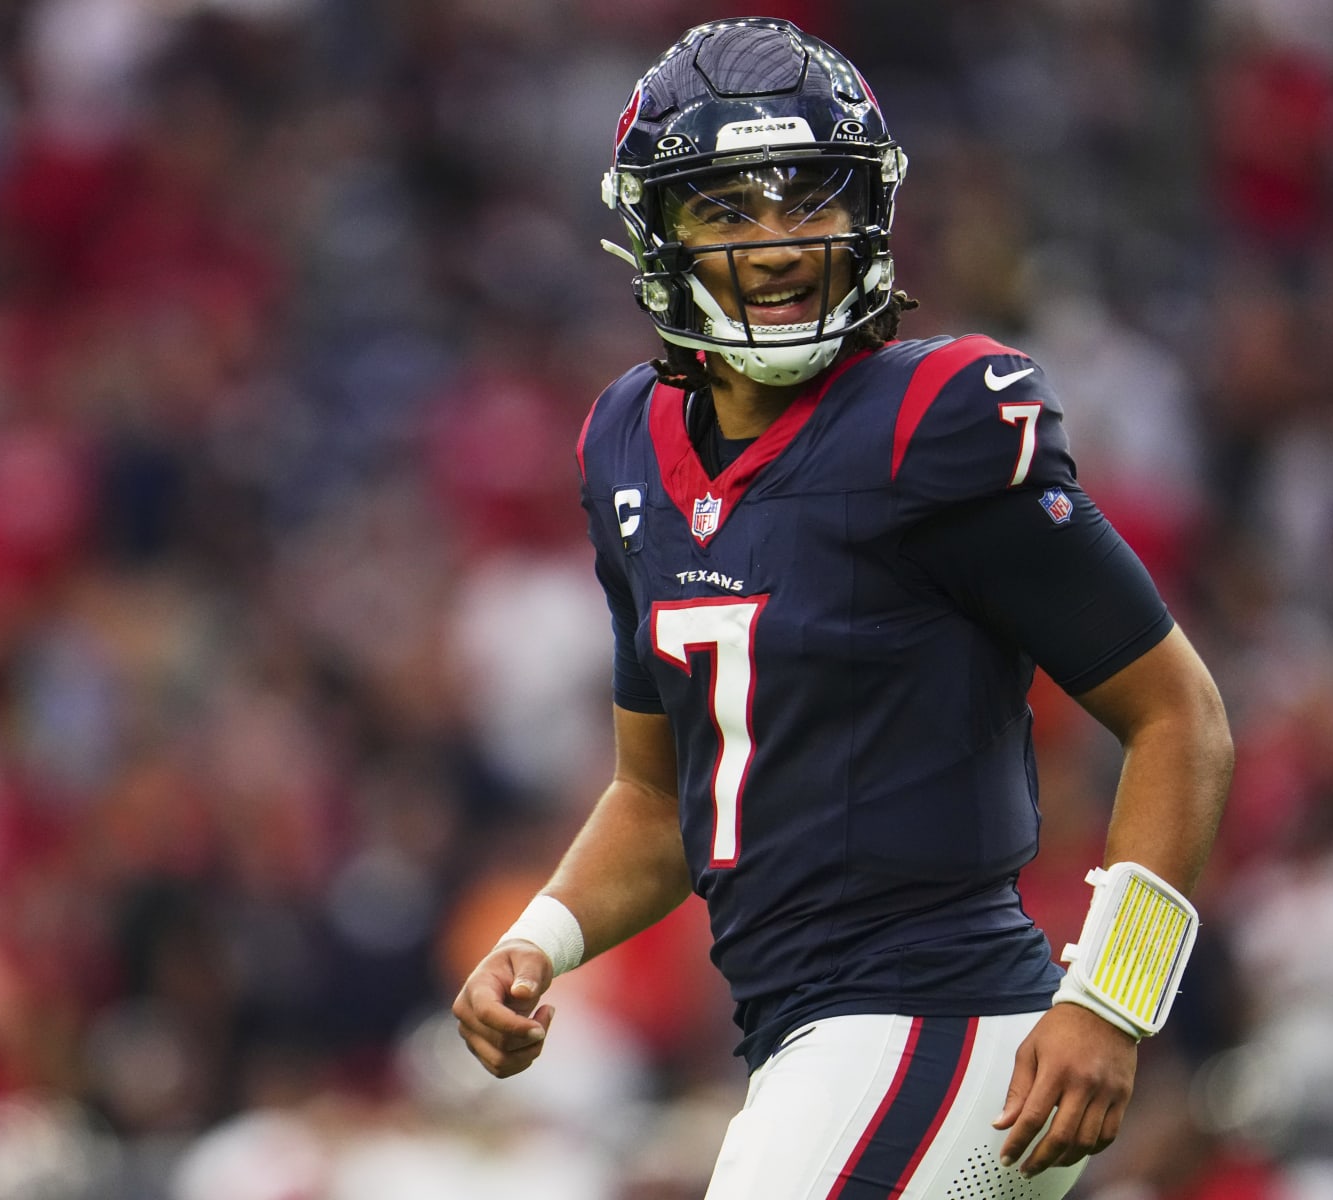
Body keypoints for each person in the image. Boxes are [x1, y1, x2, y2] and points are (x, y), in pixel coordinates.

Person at [453, 17, 1233, 1199]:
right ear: (656, 237)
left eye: (808, 201)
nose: (775, 247)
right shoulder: (626, 443)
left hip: (942, 1021)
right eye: (727, 210)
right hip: (804, 1037)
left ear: (865, 213)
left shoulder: (943, 418)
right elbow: (663, 794)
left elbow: (1181, 717)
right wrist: (540, 938)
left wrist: (1112, 1000)